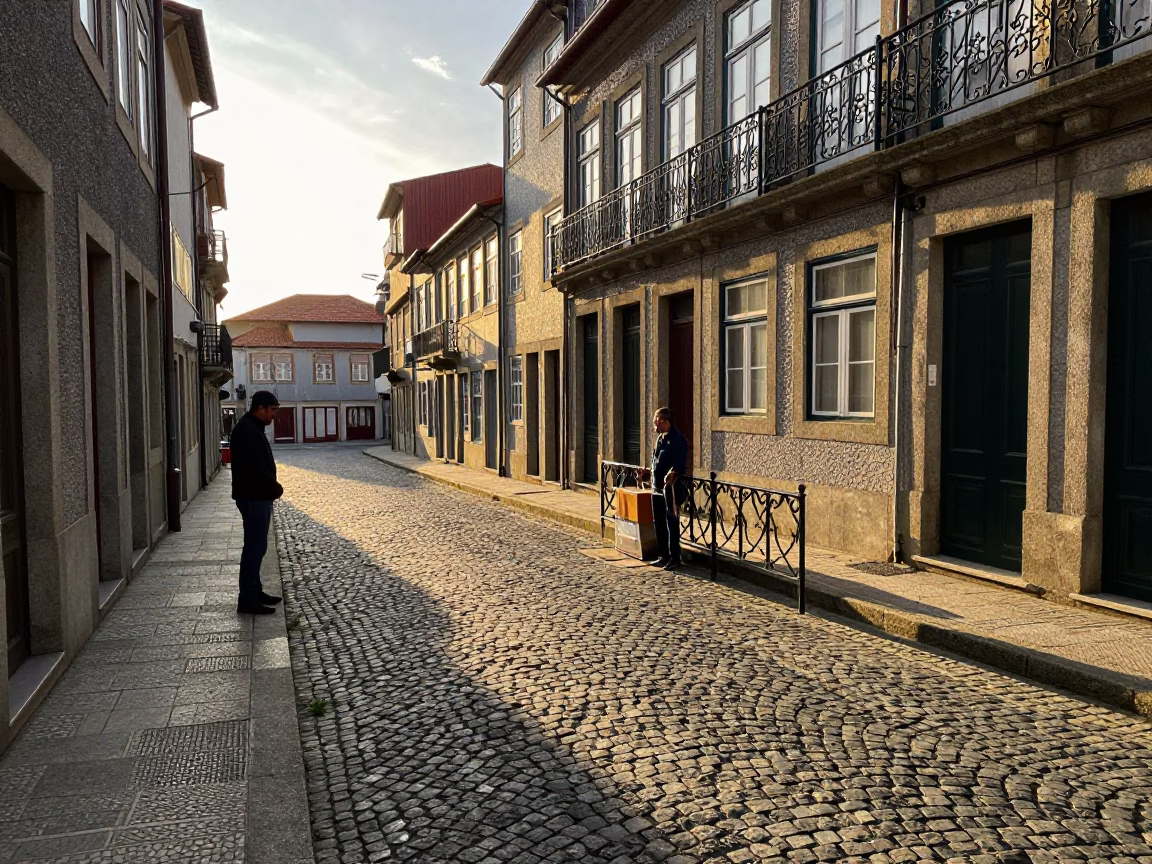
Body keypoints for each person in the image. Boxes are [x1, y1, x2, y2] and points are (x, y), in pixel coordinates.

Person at [230, 391, 284, 615]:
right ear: (260, 408)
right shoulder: (247, 431)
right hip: (253, 497)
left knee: (257, 548)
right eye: (272, 410)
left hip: (257, 496)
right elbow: (255, 469)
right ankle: (248, 599)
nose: (274, 415)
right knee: (254, 548)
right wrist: (275, 488)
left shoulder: (252, 427)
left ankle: (255, 590)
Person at [650, 407, 688, 570]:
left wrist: (673, 472)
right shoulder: (660, 438)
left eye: (657, 423)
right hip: (656, 488)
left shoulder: (677, 439)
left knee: (671, 522)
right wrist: (648, 473)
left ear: (666, 422)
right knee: (658, 521)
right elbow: (657, 459)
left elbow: (680, 463)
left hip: (670, 490)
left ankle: (674, 557)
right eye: (654, 423)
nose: (655, 426)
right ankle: (662, 555)